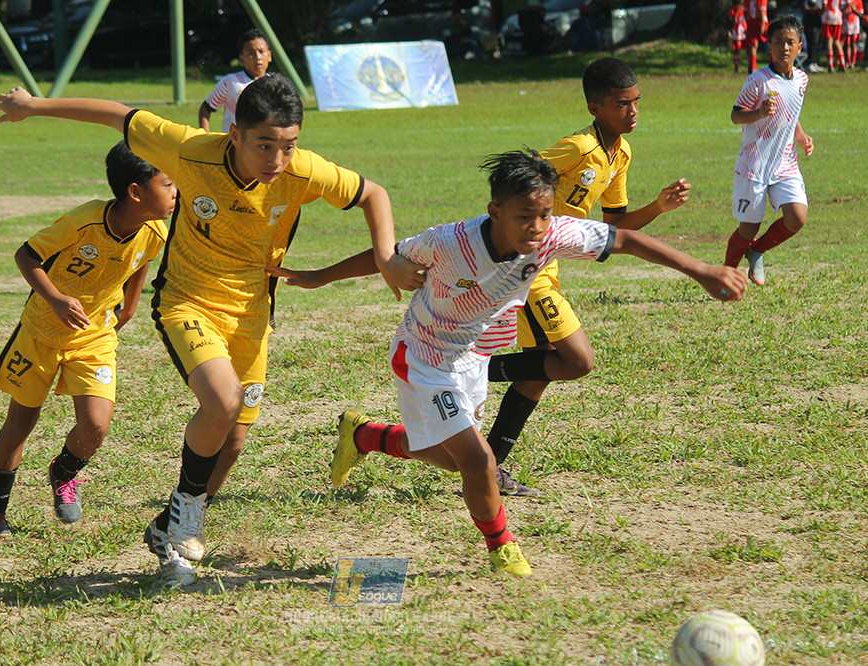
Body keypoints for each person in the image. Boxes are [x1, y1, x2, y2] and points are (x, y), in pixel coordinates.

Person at [0, 74, 422, 585]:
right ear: (234, 134)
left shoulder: (303, 171)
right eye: (265, 145)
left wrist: (386, 257)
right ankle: (186, 513)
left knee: (234, 441)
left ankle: (167, 525)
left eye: (288, 146)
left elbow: (374, 193)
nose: (278, 160)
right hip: (187, 302)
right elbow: (115, 113)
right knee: (223, 402)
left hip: (252, 316)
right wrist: (34, 106)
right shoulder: (191, 150)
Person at [269, 150, 745, 576]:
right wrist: (319, 277)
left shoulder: (553, 234)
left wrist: (700, 270)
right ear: (495, 211)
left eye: (544, 214)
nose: (536, 227)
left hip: (473, 360)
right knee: (481, 461)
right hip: (425, 357)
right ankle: (502, 547)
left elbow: (623, 241)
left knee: (452, 460)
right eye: (524, 217)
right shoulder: (450, 242)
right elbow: (386, 258)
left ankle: (365, 435)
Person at [484, 57, 692, 498]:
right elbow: (519, 175)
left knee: (541, 369)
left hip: (549, 268)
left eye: (637, 102)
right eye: (622, 104)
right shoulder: (578, 148)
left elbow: (617, 224)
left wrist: (658, 206)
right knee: (576, 360)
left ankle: (489, 466)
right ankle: (467, 369)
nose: (633, 111)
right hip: (527, 269)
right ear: (596, 108)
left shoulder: (621, 153)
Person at [0, 142, 172, 542]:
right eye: (168, 184)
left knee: (96, 426)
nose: (176, 193)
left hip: (95, 335)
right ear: (136, 192)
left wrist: (131, 306)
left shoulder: (155, 229)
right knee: (20, 424)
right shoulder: (83, 222)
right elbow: (26, 255)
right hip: (41, 333)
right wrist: (55, 298)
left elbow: (143, 259)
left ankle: (62, 474)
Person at [724, 15, 814, 286]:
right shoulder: (758, 81)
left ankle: (758, 249)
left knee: (797, 217)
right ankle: (724, 277)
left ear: (800, 47)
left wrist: (801, 135)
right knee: (748, 227)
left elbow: (791, 110)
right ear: (769, 47)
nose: (784, 48)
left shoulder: (802, 80)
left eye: (790, 42)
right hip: (755, 165)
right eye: (778, 42)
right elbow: (736, 115)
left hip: (785, 162)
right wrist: (759, 112)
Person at [198, 28, 272, 132]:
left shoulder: (274, 85)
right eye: (251, 53)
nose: (257, 57)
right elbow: (206, 108)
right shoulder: (230, 82)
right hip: (234, 145)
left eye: (261, 52)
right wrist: (205, 136)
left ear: (269, 56)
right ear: (242, 59)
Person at [744, 0, 769, 73]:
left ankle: (752, 66)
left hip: (751, 21)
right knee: (771, 41)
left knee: (753, 45)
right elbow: (761, 9)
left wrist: (746, 23)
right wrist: (763, 24)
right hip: (759, 21)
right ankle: (753, 67)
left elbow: (745, 12)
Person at [822, 0, 847, 71]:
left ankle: (830, 65)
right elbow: (846, 3)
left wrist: (821, 12)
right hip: (838, 15)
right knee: (837, 41)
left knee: (829, 40)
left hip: (828, 15)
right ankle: (843, 63)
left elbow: (824, 4)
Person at [803, 0, 825, 72]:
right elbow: (804, 8)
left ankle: (816, 62)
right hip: (809, 23)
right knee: (812, 42)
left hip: (818, 22)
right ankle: (810, 63)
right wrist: (816, 8)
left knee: (818, 43)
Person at [842, 0, 865, 67]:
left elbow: (861, 13)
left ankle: (853, 62)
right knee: (847, 43)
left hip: (854, 23)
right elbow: (840, 9)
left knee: (854, 43)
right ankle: (848, 61)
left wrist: (853, 8)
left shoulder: (858, 1)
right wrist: (846, 5)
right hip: (846, 22)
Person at [731, 0, 748, 74]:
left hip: (745, 30)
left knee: (749, 48)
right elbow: (732, 19)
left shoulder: (746, 7)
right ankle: (736, 68)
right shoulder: (734, 8)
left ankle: (750, 67)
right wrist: (736, 11)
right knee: (736, 49)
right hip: (737, 32)